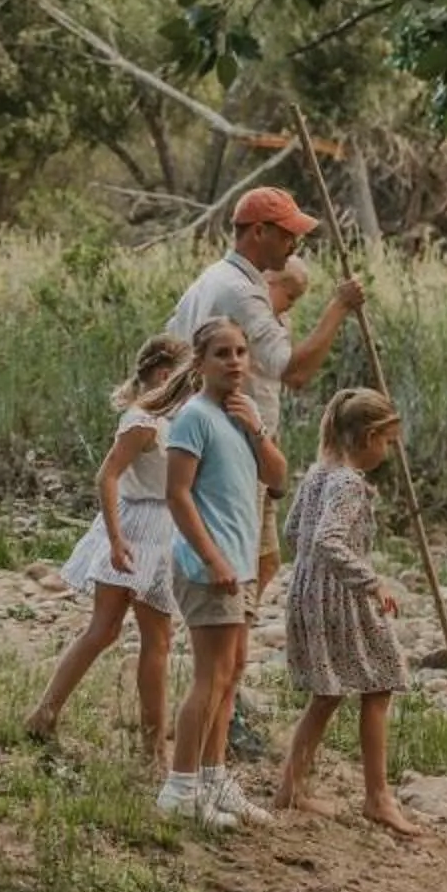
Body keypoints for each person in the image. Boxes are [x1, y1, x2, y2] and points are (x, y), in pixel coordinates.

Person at [166, 189, 364, 607]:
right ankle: (225, 654)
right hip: (235, 447)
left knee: (266, 559)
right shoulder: (240, 291)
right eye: (288, 234)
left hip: (251, 444)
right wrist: (339, 308)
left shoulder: (212, 278)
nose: (295, 245)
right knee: (239, 570)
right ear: (259, 232)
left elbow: (171, 346)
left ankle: (234, 650)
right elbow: (295, 371)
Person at [23, 333, 202, 759]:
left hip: (155, 525)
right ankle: (150, 746)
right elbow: (107, 476)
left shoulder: (168, 418)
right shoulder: (144, 421)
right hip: (139, 527)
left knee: (118, 632)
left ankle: (46, 714)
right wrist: (117, 538)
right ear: (164, 375)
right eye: (186, 378)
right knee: (136, 636)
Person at [275, 388, 424, 835]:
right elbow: (326, 539)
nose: (388, 450)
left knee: (331, 691)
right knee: (380, 681)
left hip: (311, 591)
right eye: (387, 441)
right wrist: (370, 580)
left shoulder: (320, 473)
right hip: (339, 595)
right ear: (367, 437)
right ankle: (377, 797)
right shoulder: (348, 483)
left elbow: (292, 529)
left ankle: (291, 787)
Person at [157, 316, 287, 827]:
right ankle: (180, 788)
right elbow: (177, 494)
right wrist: (212, 557)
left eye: (240, 352)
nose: (234, 362)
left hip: (241, 562)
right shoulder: (194, 417)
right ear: (201, 361)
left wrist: (256, 429)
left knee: (230, 675)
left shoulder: (242, 413)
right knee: (210, 677)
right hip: (208, 566)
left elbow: (277, 479)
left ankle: (214, 780)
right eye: (222, 354)